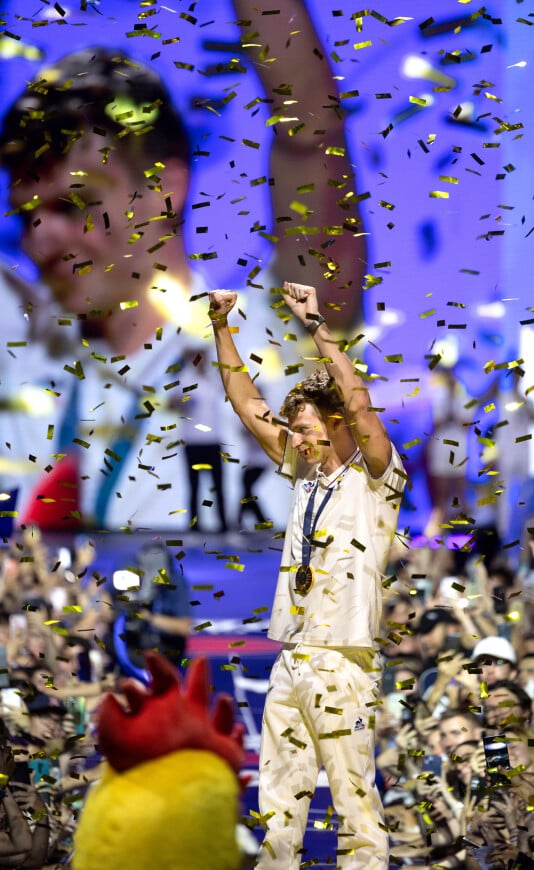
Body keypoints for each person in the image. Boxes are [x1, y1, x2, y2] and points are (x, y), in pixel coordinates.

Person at [0, 0, 366, 532]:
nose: (41, 239)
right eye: (26, 214)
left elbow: (310, 134)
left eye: (72, 206)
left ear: (163, 188)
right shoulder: (22, 359)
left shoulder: (273, 335)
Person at [208, 281, 406, 869]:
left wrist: (317, 325)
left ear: (339, 422)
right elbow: (247, 407)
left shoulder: (376, 475)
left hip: (344, 659)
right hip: (293, 654)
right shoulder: (305, 468)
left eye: (308, 428)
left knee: (353, 800)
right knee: (278, 799)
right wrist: (221, 325)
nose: (297, 440)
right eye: (294, 430)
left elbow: (362, 403)